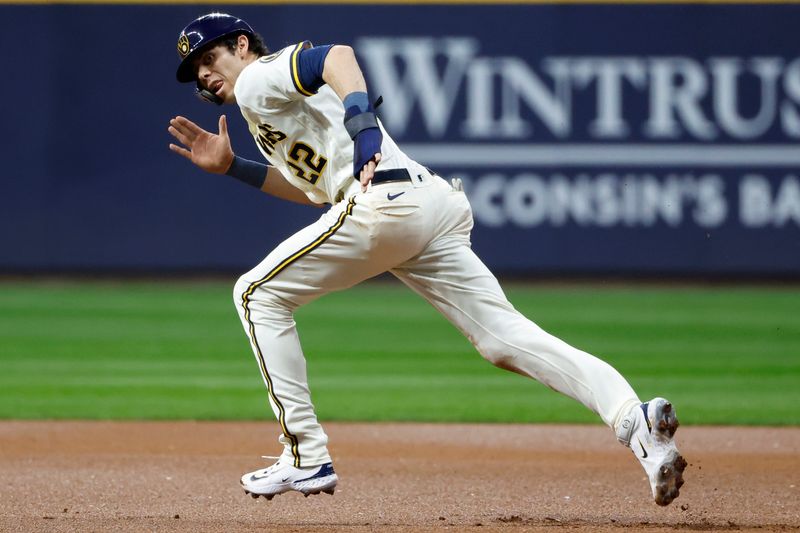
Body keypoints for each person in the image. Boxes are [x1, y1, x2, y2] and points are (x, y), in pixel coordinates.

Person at [167, 12, 686, 506]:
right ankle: (635, 422)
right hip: (424, 204)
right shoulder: (264, 111)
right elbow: (315, 191)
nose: (206, 74)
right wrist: (234, 166)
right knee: (503, 339)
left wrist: (363, 120)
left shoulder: (259, 76)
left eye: (210, 58)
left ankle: (305, 454)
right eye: (196, 73)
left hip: (383, 207)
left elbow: (335, 57)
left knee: (256, 294)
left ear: (240, 45)